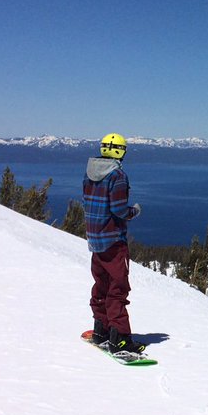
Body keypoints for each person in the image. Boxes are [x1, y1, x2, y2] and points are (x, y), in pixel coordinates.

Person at [83, 133, 145, 354]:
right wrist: (134, 211)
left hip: (95, 239)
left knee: (101, 285)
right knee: (118, 288)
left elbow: (88, 202)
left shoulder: (90, 172)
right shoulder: (117, 175)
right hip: (113, 240)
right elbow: (119, 209)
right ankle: (120, 339)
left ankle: (101, 330)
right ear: (119, 151)